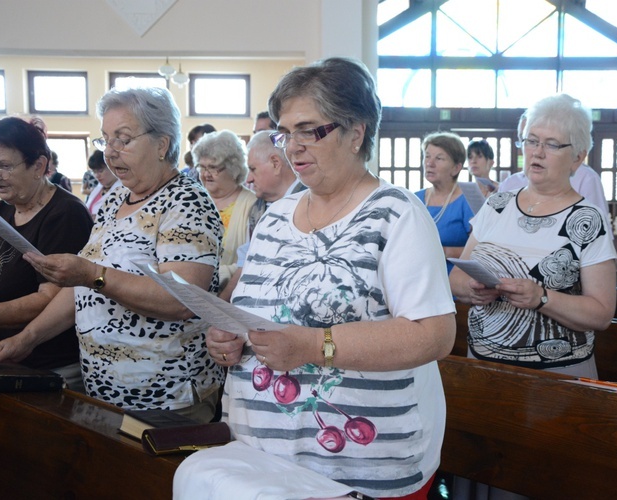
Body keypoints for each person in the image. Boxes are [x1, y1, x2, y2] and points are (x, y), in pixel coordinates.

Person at [175, 57, 455, 499]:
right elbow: (253, 309)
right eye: (285, 133)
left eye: (309, 130)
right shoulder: (276, 216)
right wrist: (227, 335)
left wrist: (311, 346)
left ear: (355, 132)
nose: (292, 147)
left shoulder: (397, 214)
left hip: (361, 467)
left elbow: (432, 336)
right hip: (262, 458)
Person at [0, 87, 225, 422]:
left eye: (122, 140)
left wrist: (93, 274)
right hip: (105, 391)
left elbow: (182, 300)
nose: (110, 153)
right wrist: (27, 338)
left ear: (162, 144)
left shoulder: (186, 202)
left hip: (167, 395)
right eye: (105, 140)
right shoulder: (114, 198)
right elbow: (82, 288)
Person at [450, 93, 617, 376]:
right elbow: (456, 279)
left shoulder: (587, 219)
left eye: (552, 144)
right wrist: (473, 290)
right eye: (531, 140)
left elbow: (601, 313)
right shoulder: (497, 204)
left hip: (557, 376)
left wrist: (542, 298)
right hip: (483, 365)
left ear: (578, 157)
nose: (537, 152)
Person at [0, 116, 93, 390]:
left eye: (4, 166)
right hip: (1, 356)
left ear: (38, 166)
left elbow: (49, 297)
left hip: (47, 367)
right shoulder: (3, 210)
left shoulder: (65, 214)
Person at [217, 130, 305, 301]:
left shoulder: (309, 200)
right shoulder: (257, 209)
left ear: (275, 163)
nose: (248, 179)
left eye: (253, 169)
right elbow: (247, 262)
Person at [191, 130, 257, 293]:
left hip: (227, 297)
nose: (206, 174)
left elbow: (251, 261)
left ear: (233, 168)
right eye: (202, 167)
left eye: (213, 168)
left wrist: (207, 276)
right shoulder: (193, 201)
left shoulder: (253, 205)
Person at [415, 131, 474, 274]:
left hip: (454, 283)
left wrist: (444, 252)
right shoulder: (415, 198)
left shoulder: (467, 201)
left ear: (456, 168)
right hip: (419, 277)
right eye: (427, 156)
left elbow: (481, 251)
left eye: (439, 158)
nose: (430, 163)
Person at [84, 149, 122, 216]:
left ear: (112, 167)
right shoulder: (98, 188)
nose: (97, 175)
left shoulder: (123, 190)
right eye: (94, 172)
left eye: (100, 171)